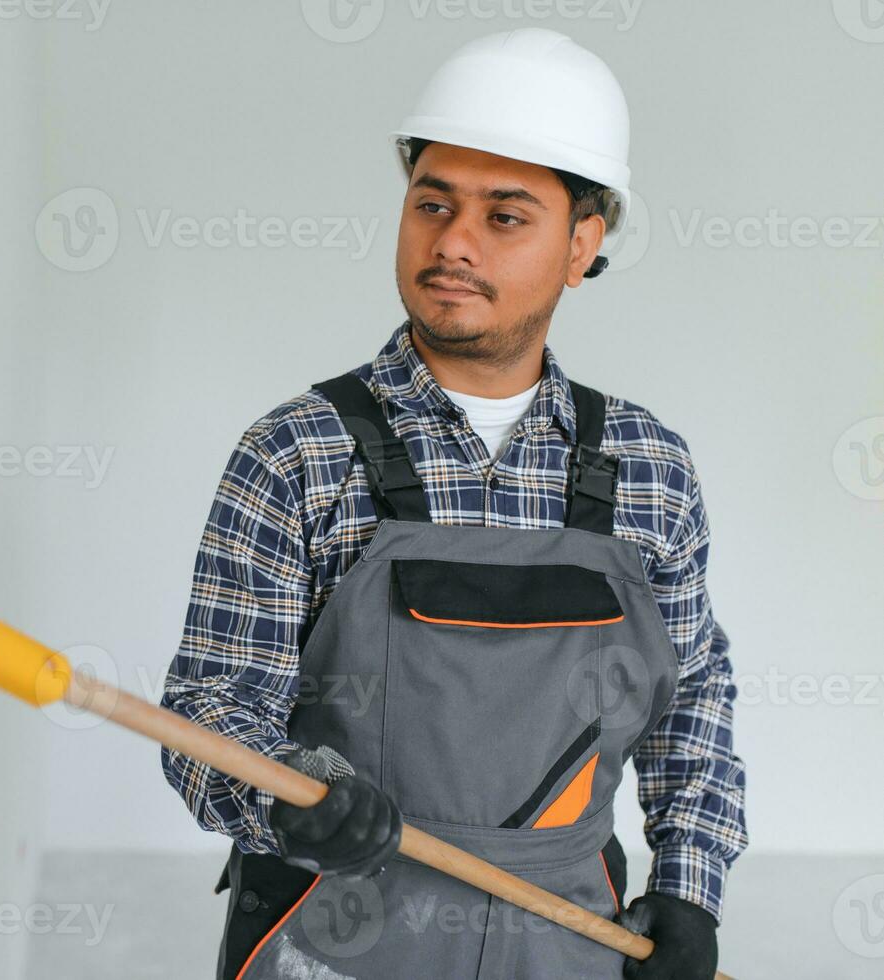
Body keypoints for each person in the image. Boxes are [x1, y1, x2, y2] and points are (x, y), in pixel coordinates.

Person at [159, 28, 747, 979]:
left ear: (581, 246)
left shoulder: (647, 468)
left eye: (505, 217)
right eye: (432, 203)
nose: (452, 242)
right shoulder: (296, 454)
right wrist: (286, 795)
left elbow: (691, 709)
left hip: (565, 935)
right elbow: (208, 709)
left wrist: (687, 890)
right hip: (334, 930)